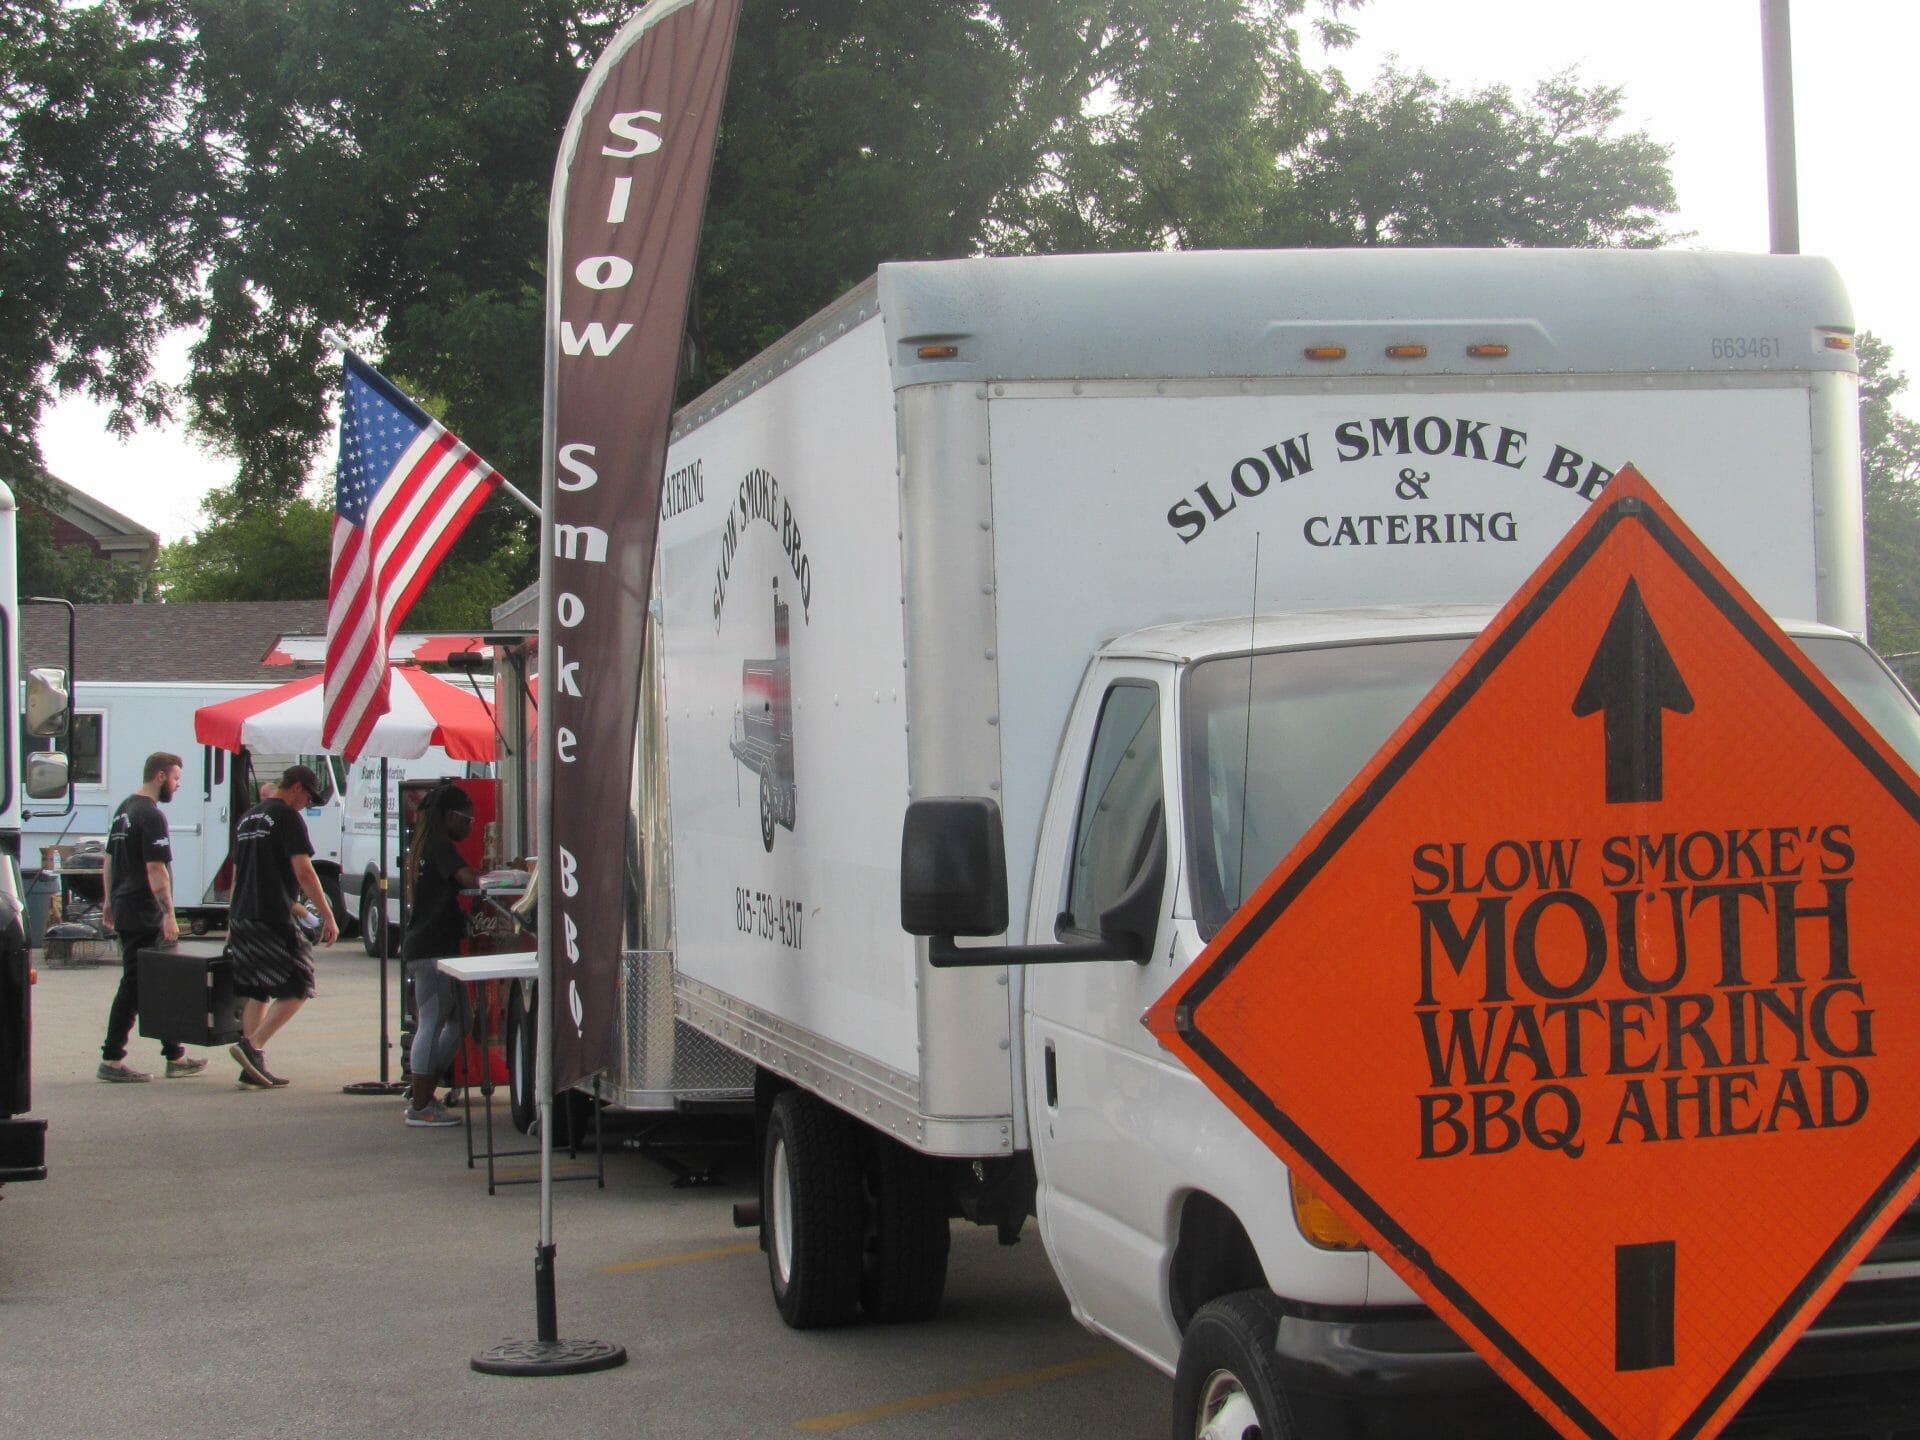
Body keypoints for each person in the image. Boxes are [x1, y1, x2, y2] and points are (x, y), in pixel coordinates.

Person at [225, 764, 339, 1087]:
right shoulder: (288, 817)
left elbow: (239, 873)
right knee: (299, 984)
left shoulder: (247, 818)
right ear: (297, 787)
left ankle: (251, 1068)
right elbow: (303, 870)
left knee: (258, 988)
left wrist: (231, 919)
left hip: (242, 914)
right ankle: (252, 1046)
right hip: (272, 916)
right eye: (308, 797)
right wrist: (327, 915)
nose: (307, 804)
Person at [97, 751, 207, 1081]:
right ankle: (112, 1059)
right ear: (160, 776)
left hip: (126, 906)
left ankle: (174, 1055)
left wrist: (108, 901)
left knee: (155, 982)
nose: (178, 785)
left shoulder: (124, 810)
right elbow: (156, 868)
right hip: (145, 912)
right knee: (136, 984)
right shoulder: (150, 815)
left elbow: (109, 859)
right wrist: (169, 914)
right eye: (175, 778)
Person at [402, 784, 480, 1127]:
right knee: (432, 1020)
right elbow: (468, 878)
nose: (470, 827)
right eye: (468, 820)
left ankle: (427, 1084)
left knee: (461, 1019)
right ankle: (420, 1104)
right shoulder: (439, 846)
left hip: (433, 946)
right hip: (432, 949)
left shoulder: (424, 846)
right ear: (450, 817)